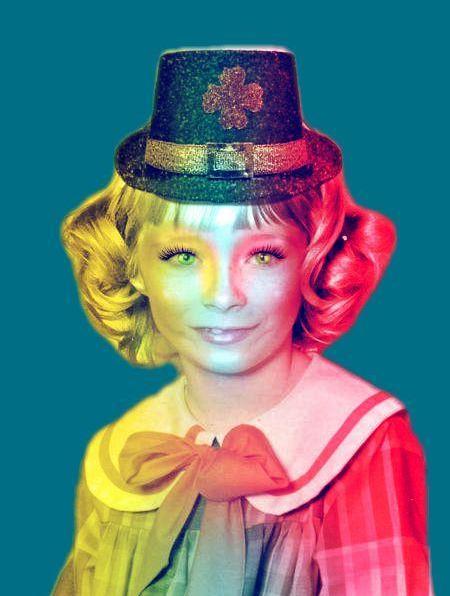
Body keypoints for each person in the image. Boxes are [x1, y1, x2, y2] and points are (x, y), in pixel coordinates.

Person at [52, 47, 434, 595]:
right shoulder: (119, 456)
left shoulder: (360, 442)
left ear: (311, 259)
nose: (223, 295)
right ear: (134, 264)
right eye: (182, 255)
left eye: (263, 255)